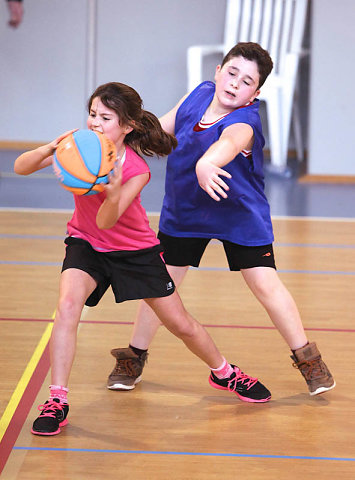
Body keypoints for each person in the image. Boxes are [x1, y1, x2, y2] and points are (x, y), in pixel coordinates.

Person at [14, 82, 271, 436]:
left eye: (105, 118)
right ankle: (57, 400)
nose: (95, 123)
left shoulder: (135, 169)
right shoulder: (80, 145)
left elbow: (107, 220)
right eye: (92, 114)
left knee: (180, 323)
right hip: (86, 242)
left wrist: (114, 191)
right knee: (68, 305)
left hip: (135, 251)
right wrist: (51, 148)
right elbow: (19, 168)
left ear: (128, 126)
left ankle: (225, 373)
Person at [108, 43, 336, 397]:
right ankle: (133, 356)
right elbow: (161, 131)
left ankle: (308, 359)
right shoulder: (199, 94)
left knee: (265, 285)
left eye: (246, 81)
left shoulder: (246, 122)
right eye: (231, 73)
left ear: (255, 93)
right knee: (160, 285)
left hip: (239, 215)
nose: (234, 84)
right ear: (218, 71)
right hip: (186, 210)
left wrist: (206, 163)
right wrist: (120, 132)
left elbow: (228, 143)